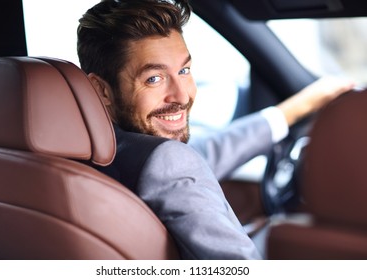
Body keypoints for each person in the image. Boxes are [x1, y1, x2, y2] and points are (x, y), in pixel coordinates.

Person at [77, 0, 354, 259]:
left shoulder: (93, 153)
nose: (182, 96)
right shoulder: (164, 161)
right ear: (102, 89)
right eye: (154, 78)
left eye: (184, 71)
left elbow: (191, 160)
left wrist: (292, 111)